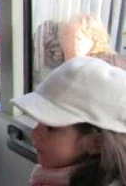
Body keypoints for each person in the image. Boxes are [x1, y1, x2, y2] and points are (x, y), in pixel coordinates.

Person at [12, 57, 126, 186]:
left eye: (51, 128)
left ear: (97, 143)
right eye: (39, 121)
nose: (35, 132)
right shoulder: (52, 175)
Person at [59, 14, 126, 69]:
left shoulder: (109, 64)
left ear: (93, 39)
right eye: (65, 37)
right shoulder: (62, 65)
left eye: (78, 38)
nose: (71, 44)